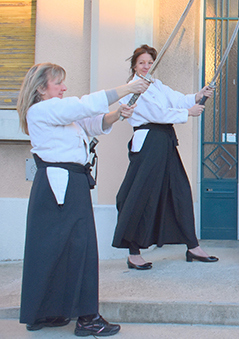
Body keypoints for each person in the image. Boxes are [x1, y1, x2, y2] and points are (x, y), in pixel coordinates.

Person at [17, 62, 149, 336]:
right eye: (58, 83)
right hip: (61, 187)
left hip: (67, 185)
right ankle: (87, 319)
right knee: (81, 249)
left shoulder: (56, 111)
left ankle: (48, 311)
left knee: (58, 250)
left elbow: (91, 123)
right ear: (41, 88)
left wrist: (116, 115)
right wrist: (129, 88)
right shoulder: (42, 110)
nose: (64, 87)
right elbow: (84, 106)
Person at [112, 44, 218, 270]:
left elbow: (177, 99)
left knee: (179, 189)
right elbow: (155, 114)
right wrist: (187, 113)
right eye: (142, 62)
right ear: (134, 65)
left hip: (165, 141)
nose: (146, 66)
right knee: (139, 193)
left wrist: (199, 95)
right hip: (149, 142)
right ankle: (133, 252)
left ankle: (192, 246)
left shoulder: (156, 84)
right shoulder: (132, 89)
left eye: (150, 63)